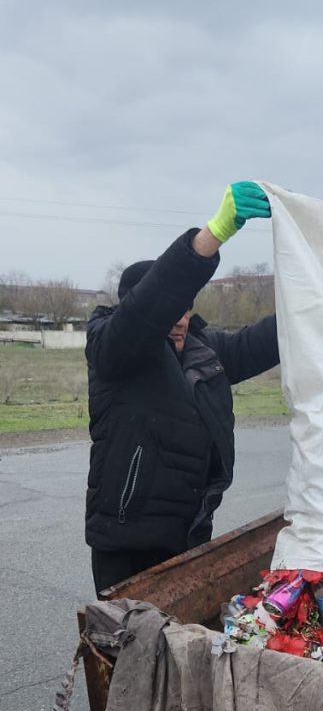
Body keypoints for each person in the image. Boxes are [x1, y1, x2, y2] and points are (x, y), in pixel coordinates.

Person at [85, 181, 276, 594]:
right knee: (130, 651)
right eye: (170, 308)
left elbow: (269, 338)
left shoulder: (205, 350)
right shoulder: (112, 346)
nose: (179, 318)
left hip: (188, 537)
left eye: (186, 307)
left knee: (183, 652)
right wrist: (212, 236)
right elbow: (144, 313)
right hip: (126, 542)